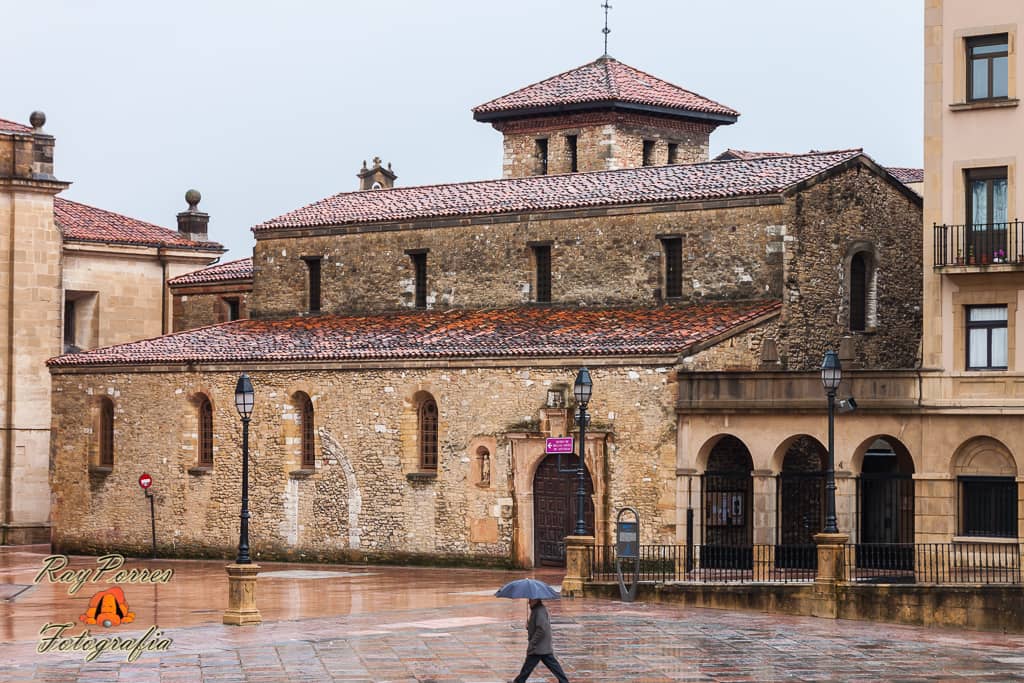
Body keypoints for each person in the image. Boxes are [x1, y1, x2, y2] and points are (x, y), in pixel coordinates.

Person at [511, 598, 570, 683]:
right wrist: (529, 626)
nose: (529, 602)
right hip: (541, 646)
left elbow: (541, 629)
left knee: (529, 665)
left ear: (536, 600)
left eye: (530, 600)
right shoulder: (536, 610)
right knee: (548, 664)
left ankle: (519, 681)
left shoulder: (539, 611)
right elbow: (537, 626)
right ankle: (563, 681)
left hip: (539, 646)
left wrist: (533, 642)